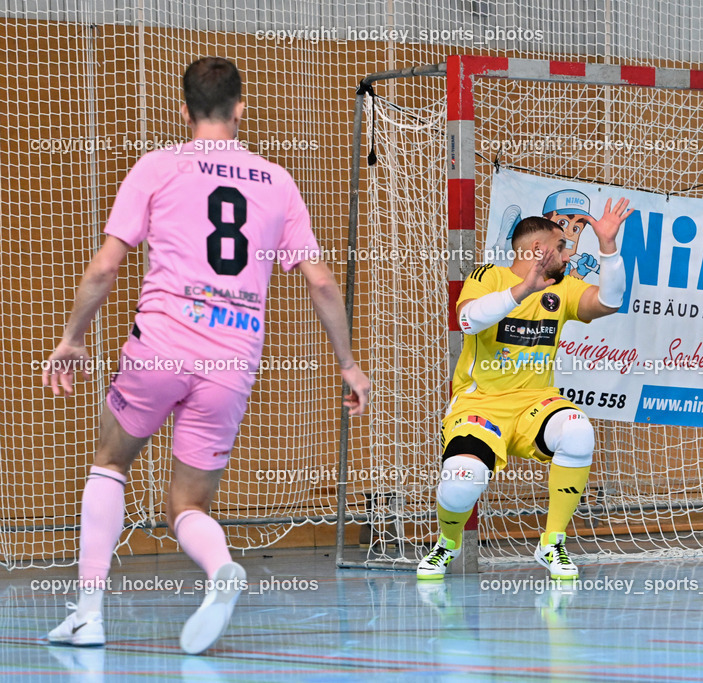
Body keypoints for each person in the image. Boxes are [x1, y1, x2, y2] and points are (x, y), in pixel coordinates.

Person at [42, 57, 369, 654]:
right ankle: (220, 568)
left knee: (110, 464)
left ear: (184, 109)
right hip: (233, 361)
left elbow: (104, 267)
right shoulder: (278, 180)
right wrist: (348, 363)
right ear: (241, 107)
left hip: (159, 347)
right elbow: (321, 283)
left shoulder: (157, 167)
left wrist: (72, 339)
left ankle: (88, 614)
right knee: (188, 504)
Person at [417, 199, 632, 580]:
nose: (568, 254)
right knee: (461, 479)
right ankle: (447, 543)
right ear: (537, 250)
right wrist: (522, 291)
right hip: (481, 402)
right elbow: (467, 319)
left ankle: (552, 541)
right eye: (561, 246)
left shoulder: (562, 289)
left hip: (536, 402)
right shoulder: (490, 276)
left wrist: (609, 248)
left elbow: (611, 301)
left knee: (578, 430)